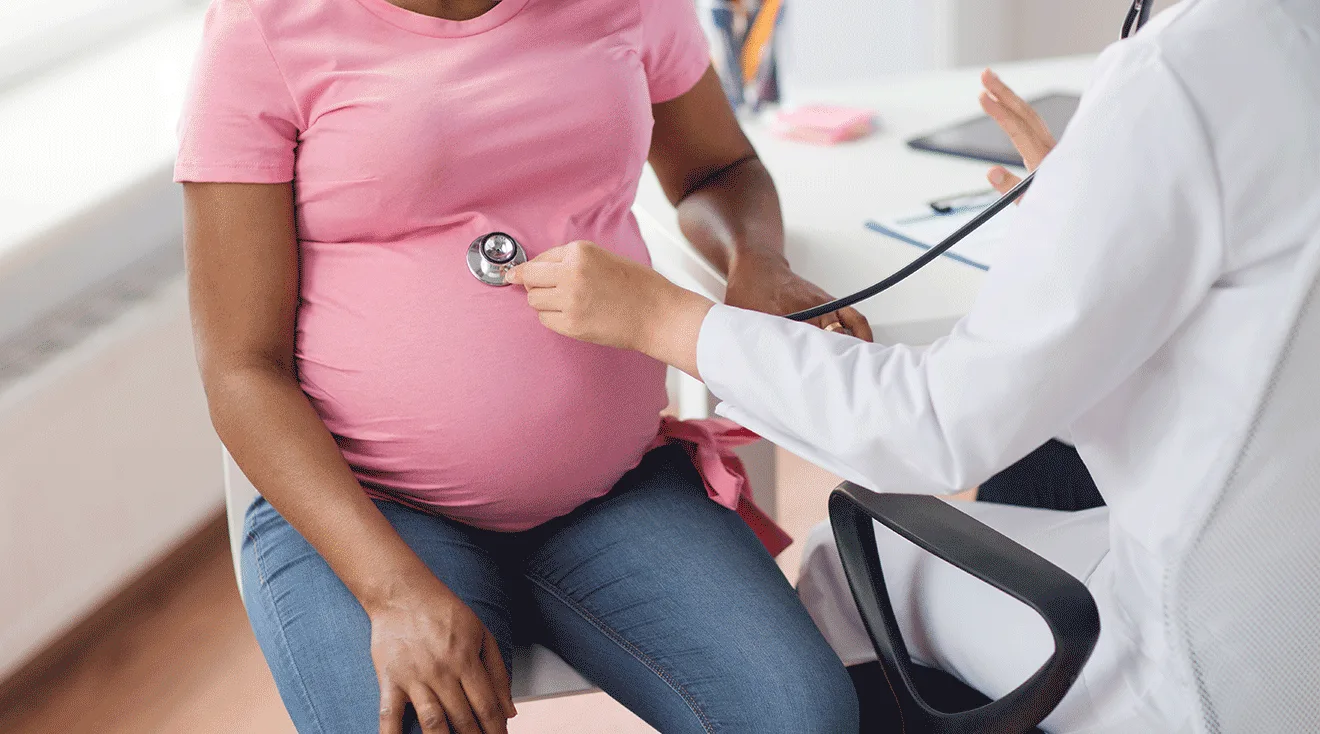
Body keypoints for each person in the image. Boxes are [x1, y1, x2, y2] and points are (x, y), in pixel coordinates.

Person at [503, 0, 1320, 729]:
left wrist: (663, 317)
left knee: (840, 562)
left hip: (1208, 668)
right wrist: (1098, 225)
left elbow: (935, 430)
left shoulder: (1181, 77)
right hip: (1286, 596)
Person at [177, 0, 871, 732]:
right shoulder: (264, 27)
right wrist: (394, 594)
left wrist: (755, 262)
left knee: (802, 716)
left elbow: (717, 167)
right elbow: (241, 366)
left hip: (615, 488)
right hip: (371, 510)